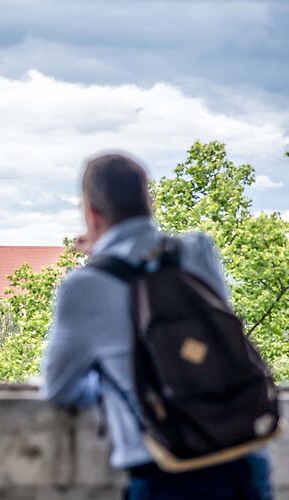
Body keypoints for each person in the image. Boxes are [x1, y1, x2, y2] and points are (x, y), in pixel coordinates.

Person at [42, 153, 273, 499]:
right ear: (148, 201)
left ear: (91, 212)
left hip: (167, 472)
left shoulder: (85, 286)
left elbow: (60, 386)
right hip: (243, 455)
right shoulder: (197, 251)